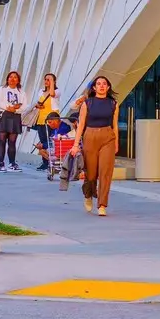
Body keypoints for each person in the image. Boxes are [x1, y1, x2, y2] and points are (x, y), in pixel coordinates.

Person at [69, 75, 119, 216]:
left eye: (105, 83)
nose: (102, 86)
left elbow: (115, 125)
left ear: (108, 87)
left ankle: (102, 205)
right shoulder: (87, 103)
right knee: (90, 173)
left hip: (108, 137)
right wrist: (75, 145)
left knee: (105, 172)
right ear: (94, 88)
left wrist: (116, 143)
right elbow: (81, 125)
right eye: (99, 84)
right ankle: (88, 195)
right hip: (90, 136)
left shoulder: (113, 104)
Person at [0, 71, 25, 173]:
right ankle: (1, 164)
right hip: (4, 115)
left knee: (12, 142)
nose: (12, 79)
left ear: (18, 80)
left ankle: (12, 163)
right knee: (2, 141)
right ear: (7, 79)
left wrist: (15, 110)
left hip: (15, 116)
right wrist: (9, 108)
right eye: (10, 77)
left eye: (15, 77)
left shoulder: (21, 92)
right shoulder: (1, 89)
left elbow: (24, 106)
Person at [31, 74, 59, 170]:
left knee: (51, 141)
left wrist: (51, 83)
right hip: (41, 119)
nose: (47, 81)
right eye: (46, 79)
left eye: (49, 80)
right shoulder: (41, 92)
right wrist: (38, 106)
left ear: (54, 81)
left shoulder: (56, 91)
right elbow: (38, 102)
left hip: (52, 119)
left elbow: (52, 94)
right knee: (43, 141)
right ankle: (45, 162)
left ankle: (53, 162)